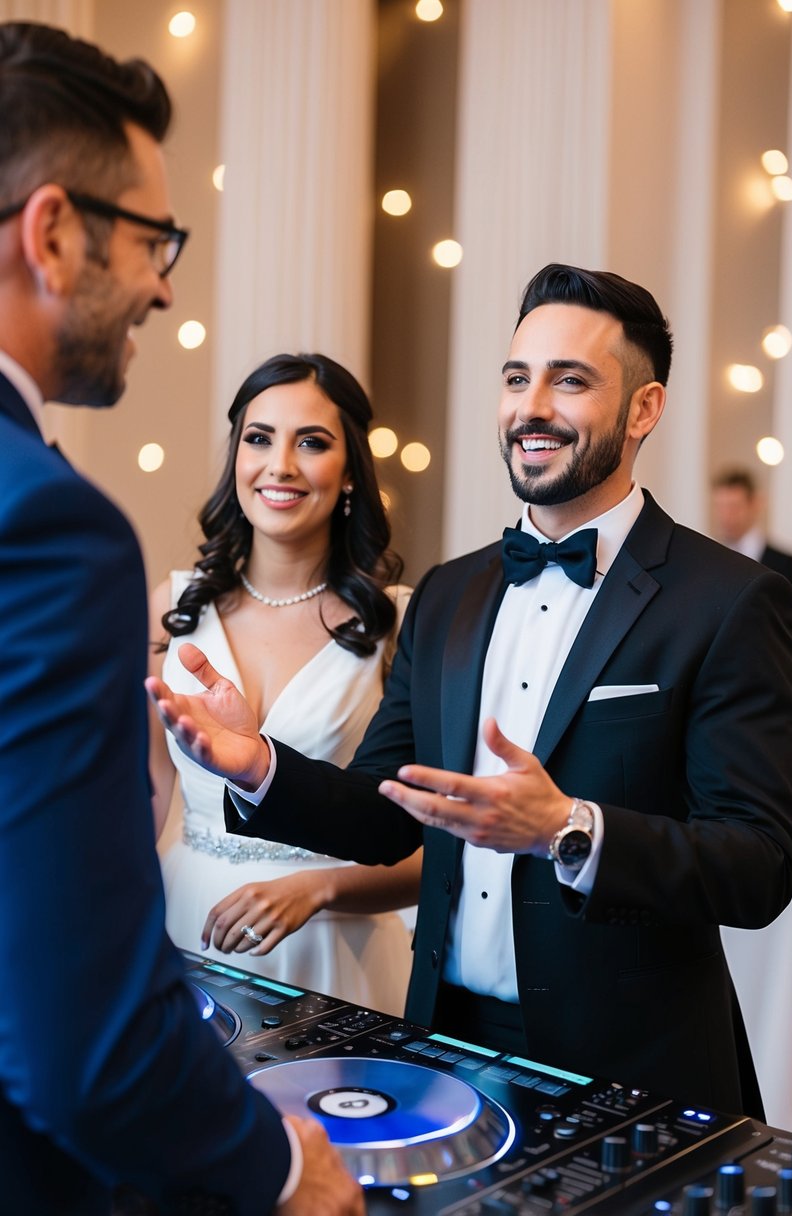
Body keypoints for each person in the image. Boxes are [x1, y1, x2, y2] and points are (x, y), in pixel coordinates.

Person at [148, 263, 792, 1122]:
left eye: (569, 380)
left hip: (631, 1064)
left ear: (643, 409)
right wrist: (257, 764)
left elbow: (756, 868)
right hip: (441, 1046)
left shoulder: (725, 600)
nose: (531, 407)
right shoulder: (451, 596)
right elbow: (386, 811)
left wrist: (568, 829)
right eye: (515, 378)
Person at [0, 21, 362, 1216]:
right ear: (53, 231)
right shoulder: (55, 530)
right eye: (153, 238)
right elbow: (80, 1046)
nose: (163, 282)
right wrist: (280, 1172)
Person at [151, 352, 420, 1012]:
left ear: (351, 469)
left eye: (312, 443)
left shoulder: (398, 619)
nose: (281, 465)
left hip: (335, 948)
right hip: (186, 923)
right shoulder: (172, 604)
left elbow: (433, 842)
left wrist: (318, 888)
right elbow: (157, 794)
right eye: (259, 438)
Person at [711, 465, 792, 645]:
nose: (725, 516)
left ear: (754, 505)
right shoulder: (710, 558)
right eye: (720, 507)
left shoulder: (782, 562)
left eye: (733, 506)